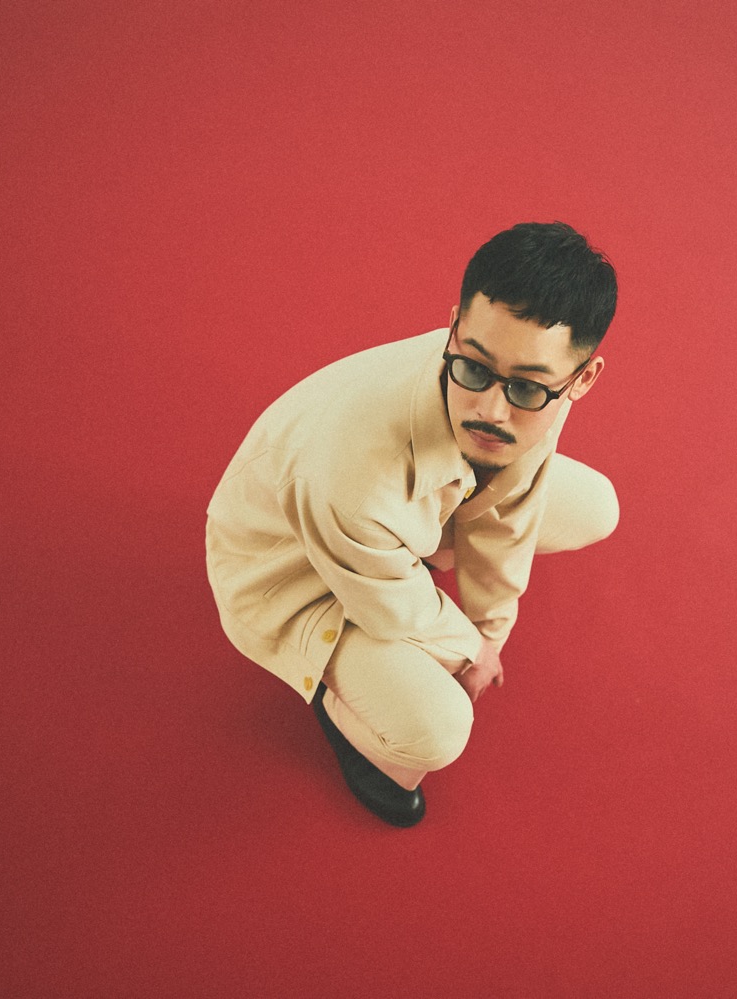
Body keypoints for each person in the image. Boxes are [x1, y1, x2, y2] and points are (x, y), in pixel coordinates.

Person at [205, 222, 619, 827]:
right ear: (454, 328)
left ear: (581, 380)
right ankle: (336, 704)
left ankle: (406, 558)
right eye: (473, 368)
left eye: (526, 388)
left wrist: (491, 630)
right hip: (291, 574)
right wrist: (471, 652)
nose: (491, 409)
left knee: (597, 506)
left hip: (381, 528)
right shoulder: (353, 477)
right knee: (436, 732)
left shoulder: (528, 384)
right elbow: (390, 610)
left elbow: (510, 509)